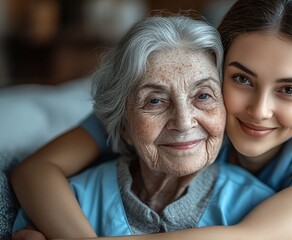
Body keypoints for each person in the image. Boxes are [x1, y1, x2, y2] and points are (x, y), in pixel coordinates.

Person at [11, 0, 292, 239]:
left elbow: (246, 237)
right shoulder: (185, 113)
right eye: (242, 79)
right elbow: (37, 170)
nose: (259, 110)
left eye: (289, 90)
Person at [13, 14, 275, 237]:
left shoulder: (260, 209)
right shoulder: (71, 201)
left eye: (203, 96)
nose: (184, 122)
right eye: (156, 100)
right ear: (123, 126)